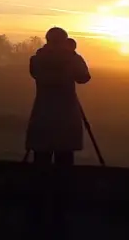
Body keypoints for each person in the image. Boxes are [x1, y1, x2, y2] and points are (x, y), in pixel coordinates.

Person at [25, 28, 91, 166]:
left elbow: (36, 73)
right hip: (66, 116)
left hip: (43, 114)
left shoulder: (37, 59)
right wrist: (72, 54)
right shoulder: (71, 59)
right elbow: (84, 77)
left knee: (41, 161)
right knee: (65, 162)